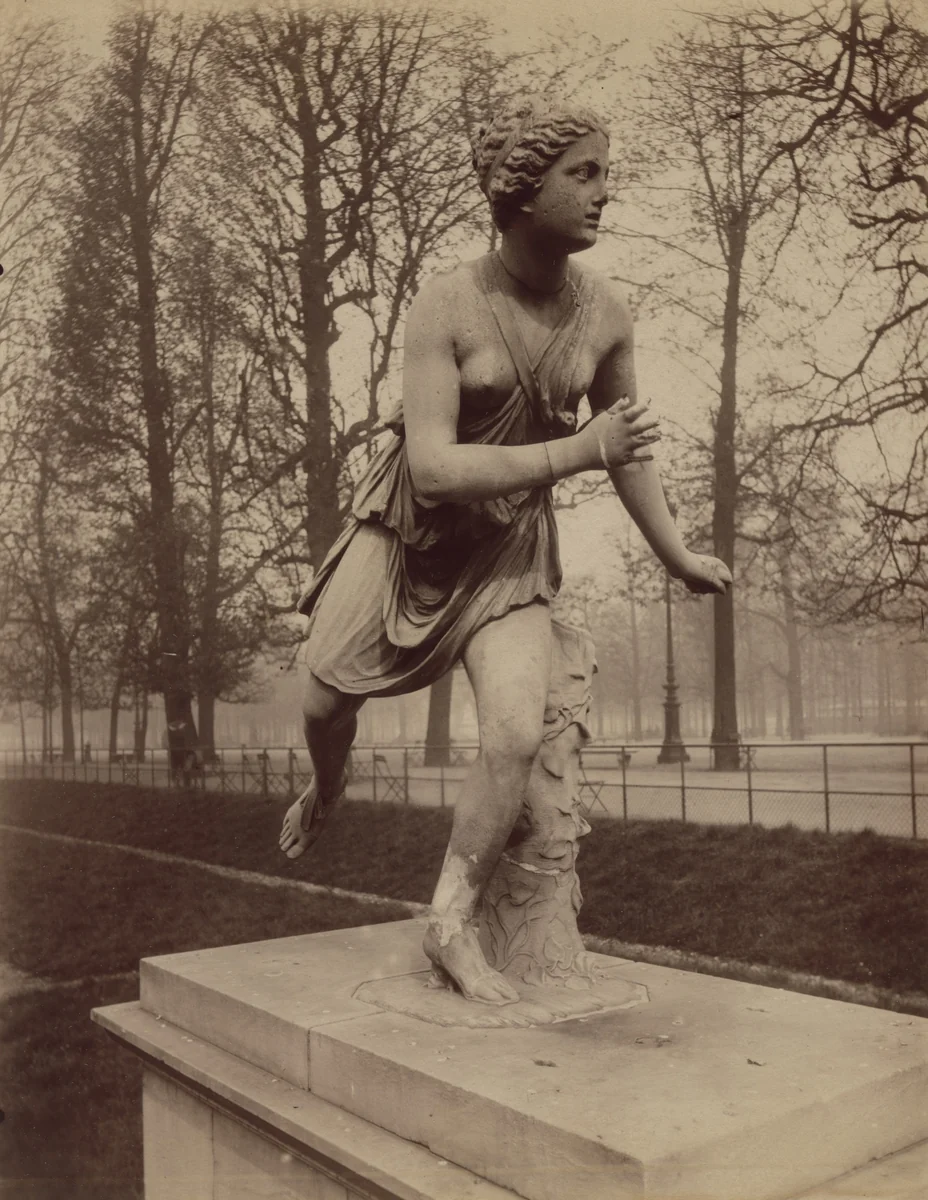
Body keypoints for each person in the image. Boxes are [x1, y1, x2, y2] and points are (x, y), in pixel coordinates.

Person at [280, 95, 732, 1005]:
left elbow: (625, 449)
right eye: (586, 174)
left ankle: (449, 918)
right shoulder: (447, 303)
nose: (607, 193)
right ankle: (325, 787)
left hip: (509, 553)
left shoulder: (606, 313)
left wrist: (677, 553)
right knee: (324, 698)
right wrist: (575, 450)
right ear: (521, 192)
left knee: (517, 732)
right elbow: (436, 468)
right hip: (408, 534)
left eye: (605, 171)